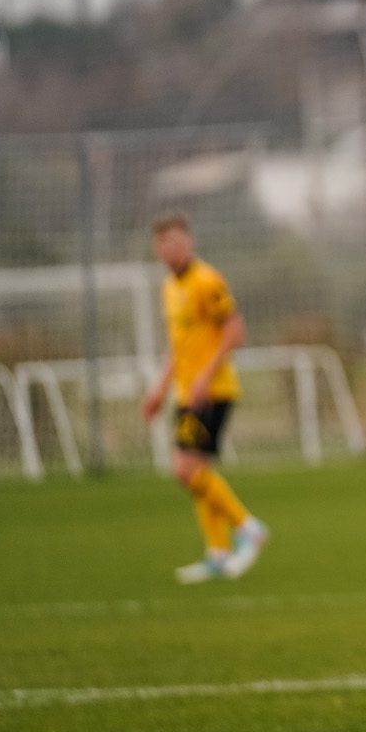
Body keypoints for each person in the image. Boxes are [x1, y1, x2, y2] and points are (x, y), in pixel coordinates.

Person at [141, 215, 268, 584]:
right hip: (187, 393)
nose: (170, 250)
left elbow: (235, 329)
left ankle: (248, 528)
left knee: (185, 469)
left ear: (190, 242)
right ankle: (217, 552)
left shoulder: (206, 281)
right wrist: (160, 389)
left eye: (176, 241)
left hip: (212, 392)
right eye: (163, 244)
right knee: (196, 473)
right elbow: (178, 348)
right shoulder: (169, 289)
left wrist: (204, 377)